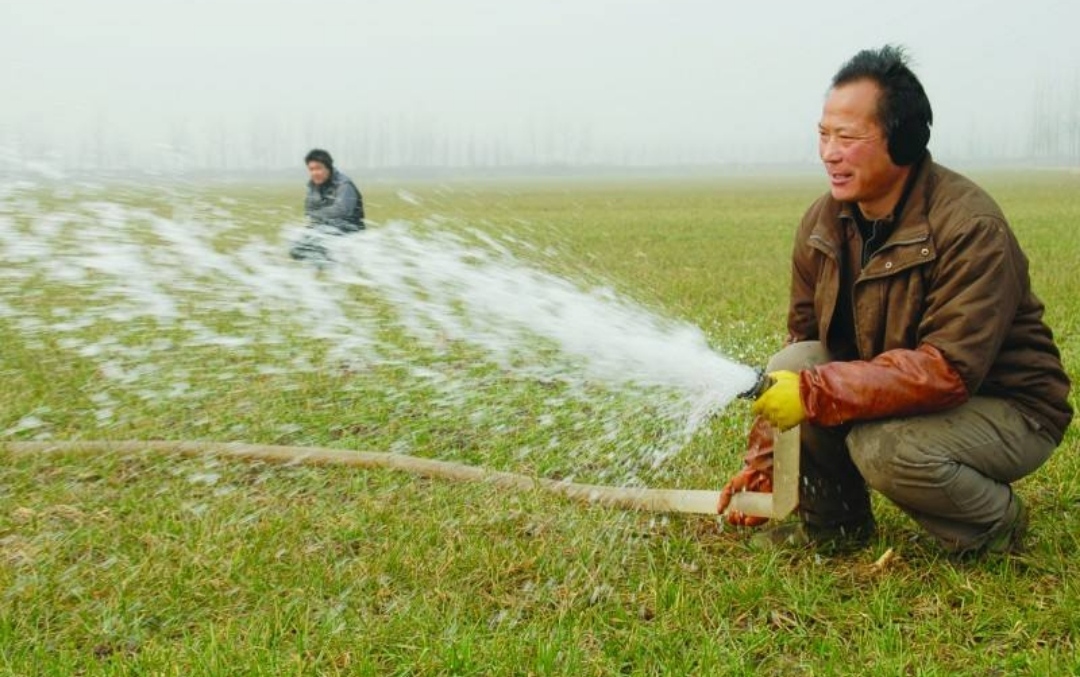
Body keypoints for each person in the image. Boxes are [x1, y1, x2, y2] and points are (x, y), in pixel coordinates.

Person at [717, 45, 1072, 556]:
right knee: (795, 361)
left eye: (848, 137)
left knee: (881, 447)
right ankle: (835, 526)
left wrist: (817, 393)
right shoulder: (823, 223)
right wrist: (767, 467)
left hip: (1008, 406)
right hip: (910, 388)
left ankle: (993, 524)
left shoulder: (971, 227)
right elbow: (804, 349)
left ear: (903, 141)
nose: (829, 153)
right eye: (823, 135)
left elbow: (947, 371)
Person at [290, 148, 365, 262]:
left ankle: (330, 267)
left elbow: (341, 210)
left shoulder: (344, 185)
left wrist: (317, 215)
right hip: (325, 229)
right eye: (311, 169)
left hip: (349, 230)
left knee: (317, 246)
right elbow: (309, 210)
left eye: (318, 168)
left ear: (328, 167)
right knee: (296, 249)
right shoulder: (313, 186)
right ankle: (323, 269)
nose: (315, 173)